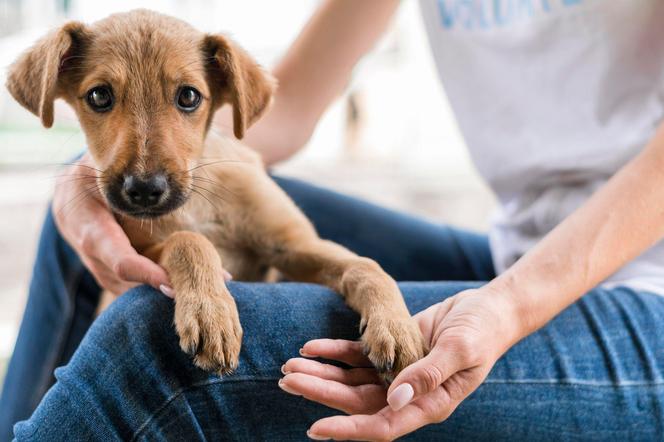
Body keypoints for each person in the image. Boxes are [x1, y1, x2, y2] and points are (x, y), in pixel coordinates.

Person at [2, 0, 664, 440]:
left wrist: (509, 307)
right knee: (91, 211)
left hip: (646, 297)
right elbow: (277, 116)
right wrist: (78, 177)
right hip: (515, 249)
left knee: (150, 340)